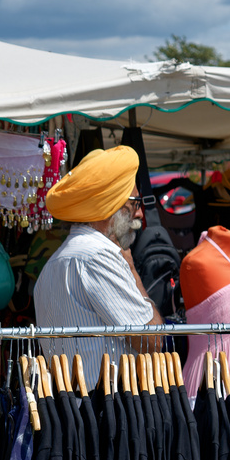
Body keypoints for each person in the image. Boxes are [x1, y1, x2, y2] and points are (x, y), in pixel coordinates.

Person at [34, 145, 161, 383]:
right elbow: (151, 340)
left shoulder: (54, 263)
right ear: (110, 205)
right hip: (106, 411)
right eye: (135, 202)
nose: (140, 213)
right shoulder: (98, 258)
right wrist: (132, 272)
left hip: (72, 411)